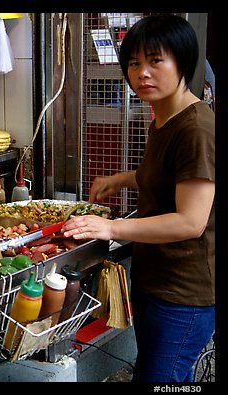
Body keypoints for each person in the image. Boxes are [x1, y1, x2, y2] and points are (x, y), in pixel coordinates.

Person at [62, 14, 215, 382]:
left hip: (184, 292)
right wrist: (121, 179)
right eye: (134, 63)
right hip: (156, 280)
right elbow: (167, 176)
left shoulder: (195, 128)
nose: (142, 72)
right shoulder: (165, 117)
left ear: (183, 61)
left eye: (156, 60)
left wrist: (111, 227)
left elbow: (191, 222)